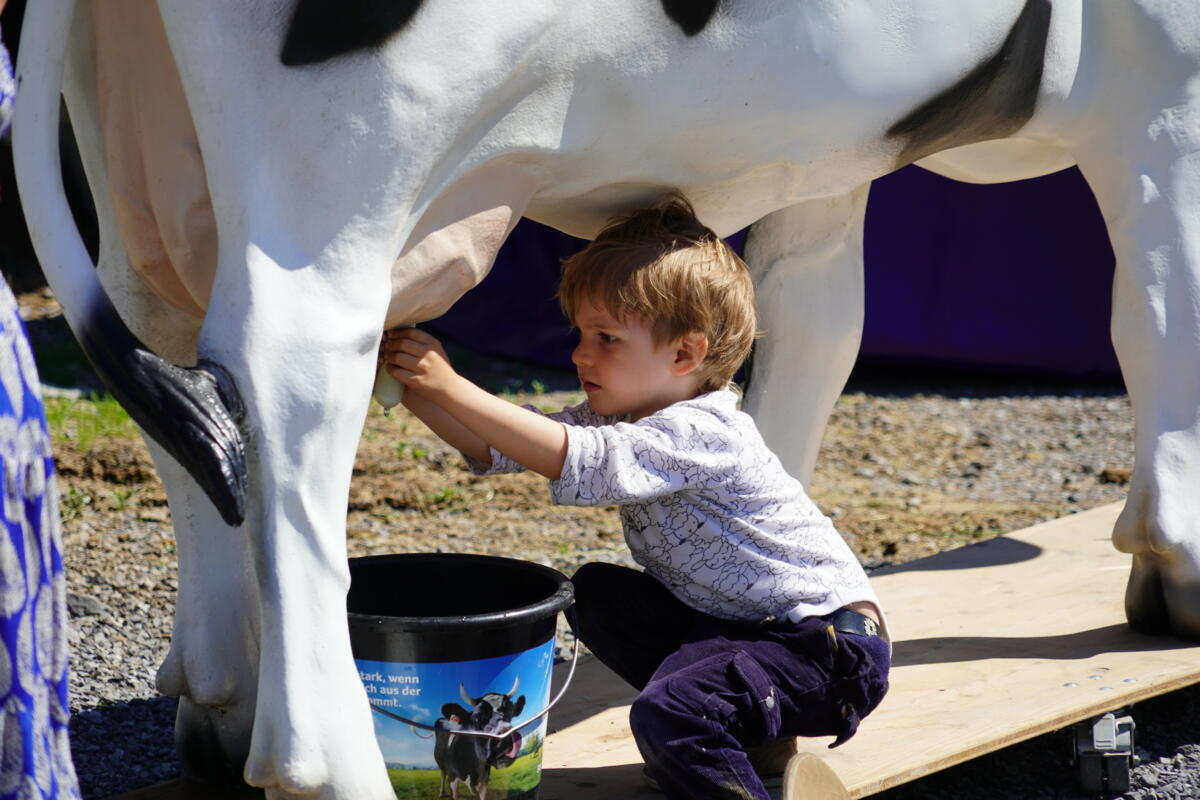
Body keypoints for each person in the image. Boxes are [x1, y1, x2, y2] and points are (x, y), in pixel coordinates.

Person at [381, 193, 889, 800]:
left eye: (607, 338)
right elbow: (498, 449)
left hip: (824, 652)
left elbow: (577, 460)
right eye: (580, 334)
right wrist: (415, 390)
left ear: (685, 353)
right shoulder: (625, 415)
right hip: (746, 632)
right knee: (597, 594)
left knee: (668, 714)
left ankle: (724, 760)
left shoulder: (702, 430)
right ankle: (749, 734)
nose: (578, 353)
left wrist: (452, 384)